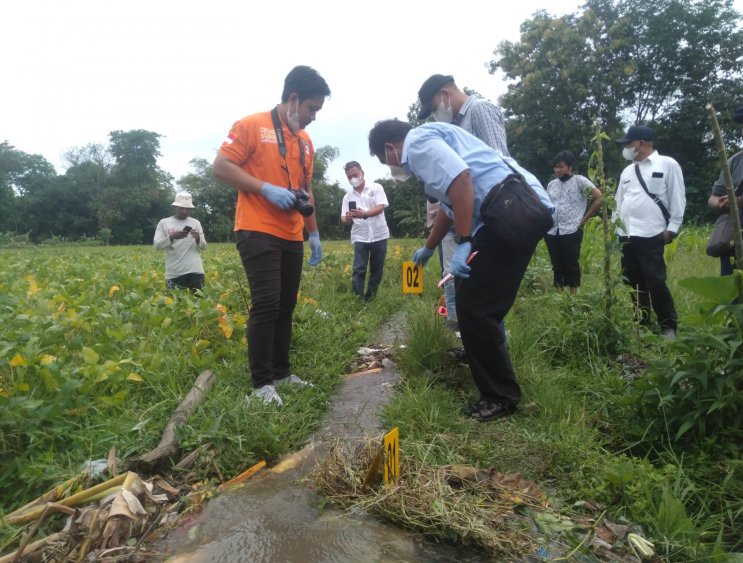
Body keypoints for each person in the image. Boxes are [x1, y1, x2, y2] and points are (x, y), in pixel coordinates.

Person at [368, 119, 554, 422]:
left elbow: (462, 180)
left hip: (509, 212)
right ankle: (484, 362)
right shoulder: (433, 143)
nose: (390, 166)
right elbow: (449, 205)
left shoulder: (416, 144)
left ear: (390, 148)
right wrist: (429, 247)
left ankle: (500, 397)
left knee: (478, 307)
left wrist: (465, 240)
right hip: (506, 214)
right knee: (473, 301)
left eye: (383, 159)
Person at [212, 65, 330, 406]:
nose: (313, 117)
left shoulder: (305, 141)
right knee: (266, 304)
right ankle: (261, 385)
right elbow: (220, 167)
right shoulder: (251, 125)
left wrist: (315, 232)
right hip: (256, 227)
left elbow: (307, 190)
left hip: (292, 232)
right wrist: (265, 189)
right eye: (311, 109)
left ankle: (281, 374)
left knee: (286, 305)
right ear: (293, 99)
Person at [417, 73, 511, 339]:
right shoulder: (454, 128)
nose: (436, 115)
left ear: (445, 95)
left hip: (490, 222)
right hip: (471, 224)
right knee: (472, 296)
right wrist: (429, 246)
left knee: (487, 299)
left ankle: (496, 358)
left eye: (434, 108)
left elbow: (501, 169)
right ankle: (478, 352)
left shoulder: (480, 111)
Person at [613, 125, 686, 339]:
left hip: (652, 233)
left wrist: (672, 229)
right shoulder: (627, 170)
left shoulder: (667, 164)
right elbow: (619, 201)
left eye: (628, 143)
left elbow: (677, 198)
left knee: (655, 281)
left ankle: (668, 326)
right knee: (633, 281)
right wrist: (617, 230)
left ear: (641, 143)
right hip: (627, 235)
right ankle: (642, 323)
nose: (626, 148)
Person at [544, 150, 602, 294]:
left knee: (571, 263)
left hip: (571, 229)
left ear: (569, 167)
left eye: (561, 166)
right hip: (552, 230)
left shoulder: (580, 181)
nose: (557, 170)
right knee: (557, 264)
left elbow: (599, 197)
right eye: (555, 167)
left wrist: (583, 220)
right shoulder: (552, 184)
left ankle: (573, 297)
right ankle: (559, 296)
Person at [708, 104, 743, 275]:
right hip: (735, 246)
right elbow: (713, 197)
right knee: (733, 298)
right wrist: (721, 203)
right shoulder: (734, 161)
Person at [340, 161, 390, 300]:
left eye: (355, 175)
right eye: (349, 177)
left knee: (376, 269)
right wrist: (348, 218)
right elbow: (343, 219)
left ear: (362, 173)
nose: (352, 179)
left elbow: (380, 207)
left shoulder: (376, 188)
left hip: (379, 234)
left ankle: (371, 297)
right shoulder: (347, 196)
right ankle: (358, 299)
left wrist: (365, 214)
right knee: (358, 269)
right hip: (360, 236)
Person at [153, 192, 207, 292]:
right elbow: (156, 245)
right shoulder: (164, 223)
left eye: (187, 208)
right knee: (176, 305)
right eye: (181, 208)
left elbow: (204, 246)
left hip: (195, 270)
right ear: (175, 207)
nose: (184, 211)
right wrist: (171, 237)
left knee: (199, 302)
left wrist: (198, 239)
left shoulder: (195, 223)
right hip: (174, 272)